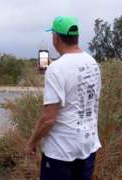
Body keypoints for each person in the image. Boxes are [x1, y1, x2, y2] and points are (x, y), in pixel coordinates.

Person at [25, 16, 102, 180]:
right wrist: (54, 67)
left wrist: (32, 143)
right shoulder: (92, 63)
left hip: (60, 151)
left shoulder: (56, 69)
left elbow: (48, 119)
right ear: (77, 37)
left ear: (56, 38)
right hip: (88, 146)